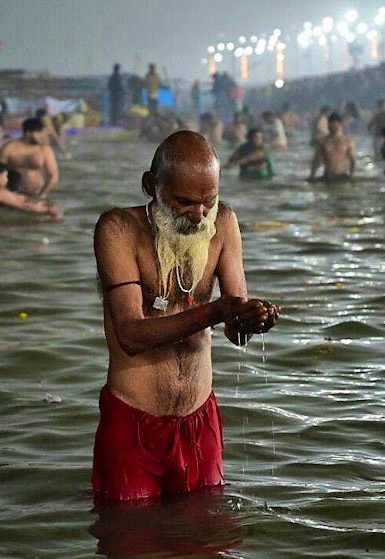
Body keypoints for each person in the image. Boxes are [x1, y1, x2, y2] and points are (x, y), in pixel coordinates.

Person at [91, 130, 279, 503]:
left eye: (208, 202)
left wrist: (253, 320)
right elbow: (130, 334)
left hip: (199, 418)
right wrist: (216, 311)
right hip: (134, 421)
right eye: (184, 202)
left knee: (205, 536)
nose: (198, 215)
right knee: (130, 537)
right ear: (151, 185)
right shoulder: (118, 230)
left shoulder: (223, 223)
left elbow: (233, 329)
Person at [0, 117, 60, 198]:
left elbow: (54, 175)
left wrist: (42, 194)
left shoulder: (45, 150)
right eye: (39, 133)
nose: (43, 136)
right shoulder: (9, 148)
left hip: (37, 191)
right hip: (13, 192)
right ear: (28, 133)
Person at [308, 112, 356, 183]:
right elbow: (316, 160)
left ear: (340, 124)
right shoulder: (323, 141)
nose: (331, 126)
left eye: (334, 124)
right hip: (328, 176)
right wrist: (312, 175)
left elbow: (353, 161)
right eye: (330, 124)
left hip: (342, 175)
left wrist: (352, 175)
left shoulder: (348, 142)